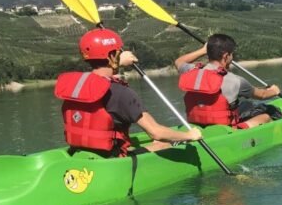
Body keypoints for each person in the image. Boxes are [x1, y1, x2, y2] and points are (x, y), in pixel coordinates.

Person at [54, 28, 202, 157]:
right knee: (161, 143)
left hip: (81, 153)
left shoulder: (78, 87)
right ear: (111, 57)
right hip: (112, 160)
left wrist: (116, 62)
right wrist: (189, 135)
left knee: (153, 143)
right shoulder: (119, 91)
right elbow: (156, 132)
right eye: (119, 52)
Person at [175, 33, 282, 129]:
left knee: (245, 105)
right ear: (226, 56)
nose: (232, 57)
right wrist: (274, 91)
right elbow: (262, 95)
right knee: (265, 116)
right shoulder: (236, 81)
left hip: (196, 125)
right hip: (226, 130)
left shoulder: (190, 71)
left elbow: (179, 61)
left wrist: (203, 50)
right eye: (232, 54)